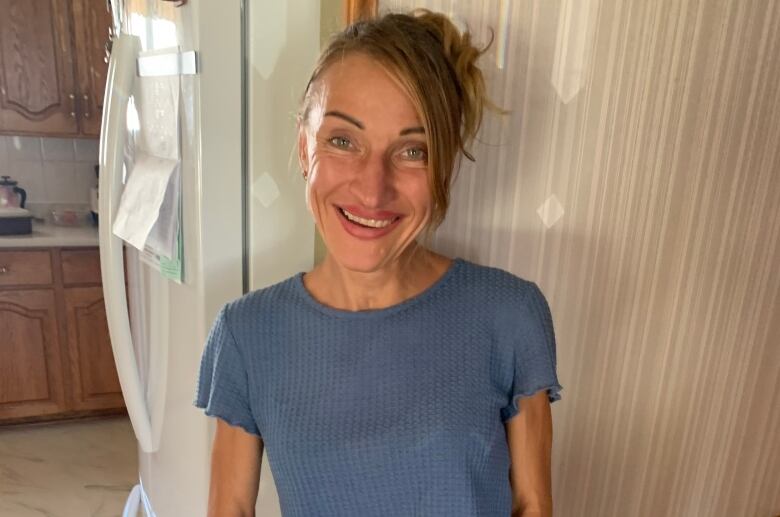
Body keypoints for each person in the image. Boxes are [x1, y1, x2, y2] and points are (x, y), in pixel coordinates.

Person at [195, 8, 563, 517]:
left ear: (445, 167)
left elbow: (532, 505)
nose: (373, 189)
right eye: (343, 141)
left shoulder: (510, 315)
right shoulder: (246, 334)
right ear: (305, 149)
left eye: (413, 151)